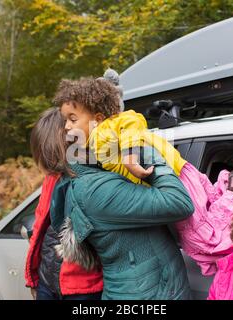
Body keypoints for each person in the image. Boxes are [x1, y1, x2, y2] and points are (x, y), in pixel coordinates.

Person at [54, 76, 233, 275]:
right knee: (211, 213)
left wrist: (129, 156)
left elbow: (132, 119)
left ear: (99, 117)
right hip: (181, 172)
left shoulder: (105, 130)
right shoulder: (100, 138)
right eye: (66, 120)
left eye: (72, 119)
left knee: (204, 240)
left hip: (178, 178)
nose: (66, 126)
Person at [31, 109, 196, 300]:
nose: (97, 127)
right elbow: (178, 202)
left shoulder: (86, 180)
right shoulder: (95, 188)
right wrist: (142, 148)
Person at [25, 108, 103, 300]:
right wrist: (33, 277)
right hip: (47, 282)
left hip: (83, 289)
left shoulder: (92, 181)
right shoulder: (52, 178)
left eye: (50, 157)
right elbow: (39, 225)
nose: (48, 168)